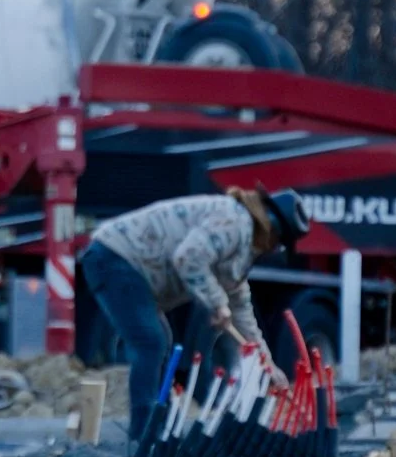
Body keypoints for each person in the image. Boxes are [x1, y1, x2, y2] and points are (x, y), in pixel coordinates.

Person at [82, 188, 309, 441]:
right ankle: (144, 436)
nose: (275, 249)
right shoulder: (235, 222)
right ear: (272, 229)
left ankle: (160, 428)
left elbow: (242, 313)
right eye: (278, 242)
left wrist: (269, 366)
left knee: (160, 342)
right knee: (151, 342)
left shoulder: (240, 251)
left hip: (130, 267)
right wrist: (217, 303)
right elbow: (188, 257)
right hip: (116, 257)